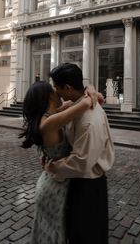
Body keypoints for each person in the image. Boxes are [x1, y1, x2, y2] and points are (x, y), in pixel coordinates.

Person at [46, 63, 115, 244]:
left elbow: (81, 162)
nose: (56, 92)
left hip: (88, 187)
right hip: (82, 183)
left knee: (86, 235)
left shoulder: (88, 120)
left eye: (57, 88)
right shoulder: (78, 103)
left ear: (68, 88)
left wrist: (52, 167)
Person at [19, 80, 95, 244]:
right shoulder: (50, 122)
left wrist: (89, 88)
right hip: (54, 188)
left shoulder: (50, 116)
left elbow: (82, 94)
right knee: (52, 235)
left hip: (53, 180)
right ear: (48, 97)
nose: (57, 90)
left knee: (49, 232)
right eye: (54, 89)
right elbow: (85, 102)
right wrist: (90, 94)